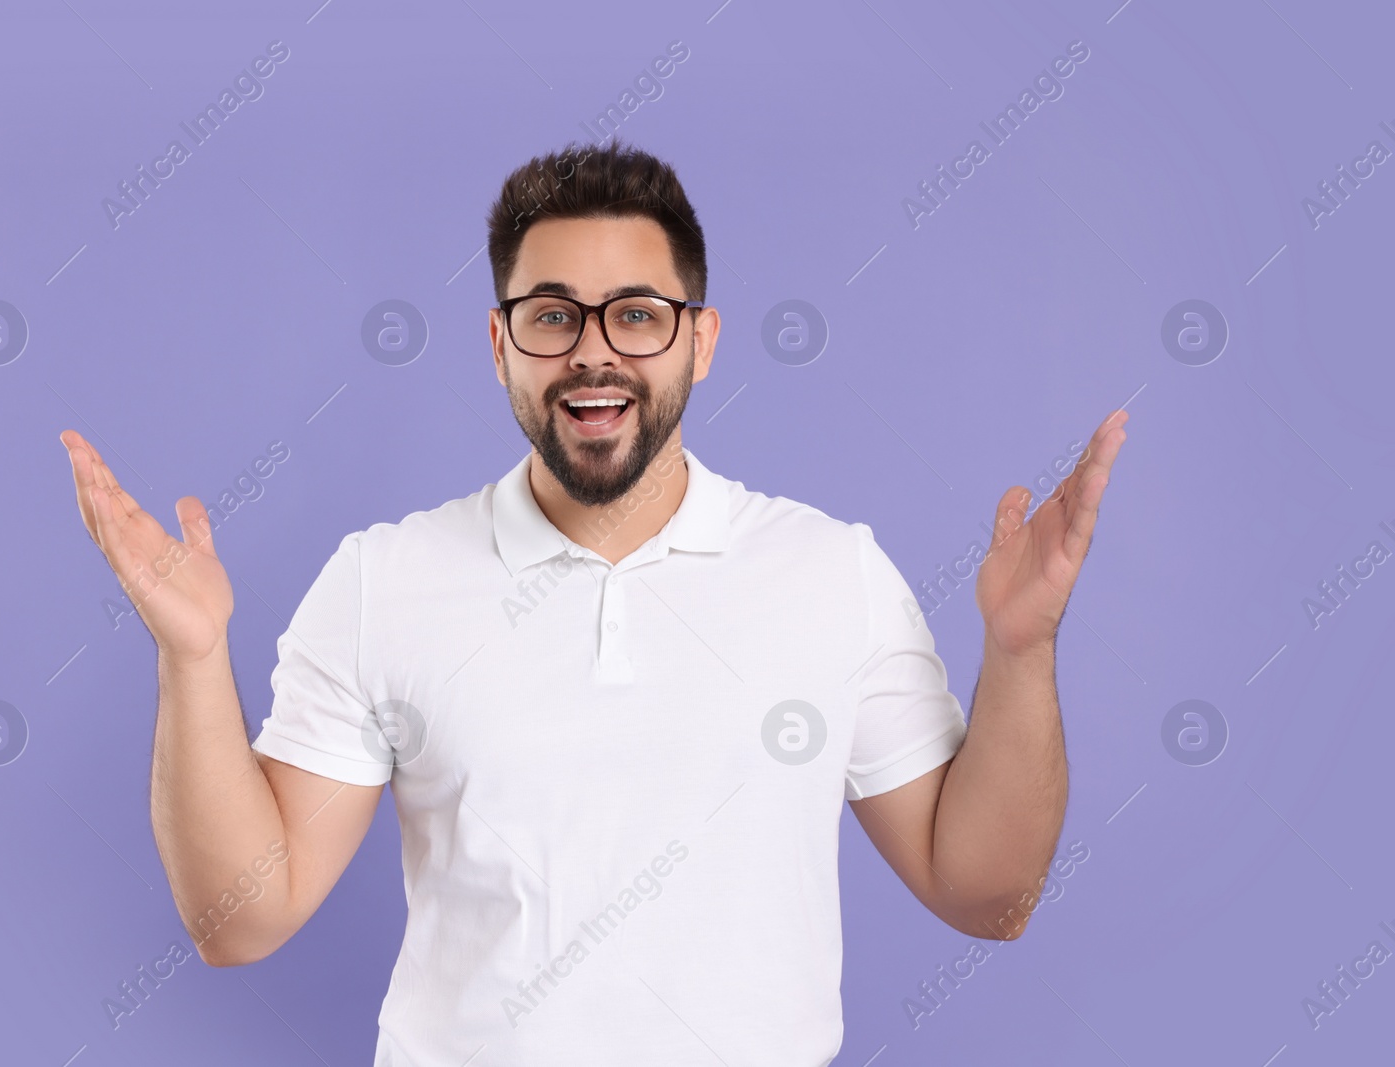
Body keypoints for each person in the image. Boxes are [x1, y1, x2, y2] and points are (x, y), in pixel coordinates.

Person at [60, 137, 1128, 1065]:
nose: (592, 350)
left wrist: (1020, 647)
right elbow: (238, 919)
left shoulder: (831, 571)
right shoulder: (386, 577)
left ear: (700, 342)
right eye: (551, 315)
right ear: (499, 347)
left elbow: (990, 897)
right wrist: (193, 656)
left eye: (636, 314)